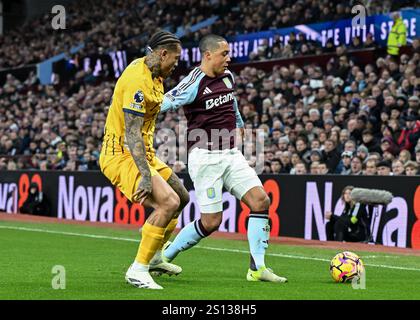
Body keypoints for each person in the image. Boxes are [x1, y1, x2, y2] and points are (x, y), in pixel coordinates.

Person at [160, 34, 287, 283]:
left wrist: (239, 123)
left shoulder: (228, 77)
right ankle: (166, 255)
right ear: (207, 55)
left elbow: (232, 102)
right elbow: (165, 101)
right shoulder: (192, 82)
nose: (229, 58)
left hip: (230, 153)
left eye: (228, 53)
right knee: (211, 222)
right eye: (224, 54)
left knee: (261, 201)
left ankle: (257, 269)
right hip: (205, 157)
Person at [99, 31, 190, 290]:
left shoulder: (156, 75)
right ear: (163, 54)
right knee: (168, 202)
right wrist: (146, 176)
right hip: (121, 154)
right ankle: (138, 269)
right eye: (175, 58)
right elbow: (131, 134)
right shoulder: (137, 81)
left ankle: (156, 256)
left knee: (181, 196)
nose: (177, 63)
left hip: (143, 152)